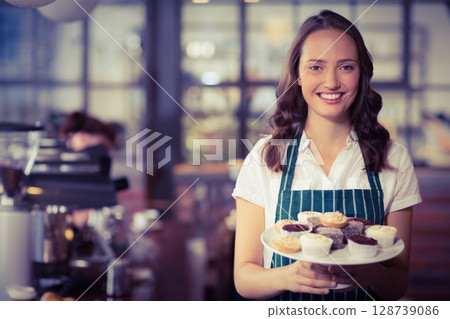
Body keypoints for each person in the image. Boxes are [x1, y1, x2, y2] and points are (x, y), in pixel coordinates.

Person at [232, 10, 422, 301]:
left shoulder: (393, 158)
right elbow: (244, 278)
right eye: (316, 67)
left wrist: (372, 273)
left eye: (346, 67)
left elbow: (397, 284)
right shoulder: (265, 156)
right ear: (297, 74)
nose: (331, 82)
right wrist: (288, 276)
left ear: (362, 74)